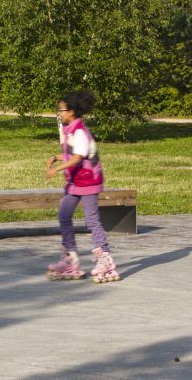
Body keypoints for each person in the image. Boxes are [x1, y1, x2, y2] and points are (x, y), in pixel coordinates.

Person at [45, 90, 121, 283]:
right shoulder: (70, 129)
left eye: (61, 110)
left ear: (71, 112)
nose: (59, 113)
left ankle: (105, 259)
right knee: (64, 214)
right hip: (76, 181)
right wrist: (56, 157)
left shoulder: (79, 132)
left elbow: (78, 158)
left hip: (88, 181)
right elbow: (73, 154)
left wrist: (57, 169)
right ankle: (71, 258)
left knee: (91, 220)